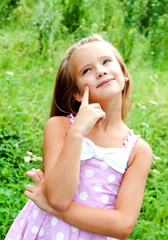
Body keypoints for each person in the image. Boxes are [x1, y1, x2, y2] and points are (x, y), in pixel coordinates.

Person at [5, 34, 152, 240]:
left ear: (124, 73)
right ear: (78, 94)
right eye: (87, 70)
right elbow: (57, 197)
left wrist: (56, 209)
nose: (100, 71)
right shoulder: (61, 127)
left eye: (106, 62)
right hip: (47, 232)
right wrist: (77, 132)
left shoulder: (138, 151)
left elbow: (123, 225)